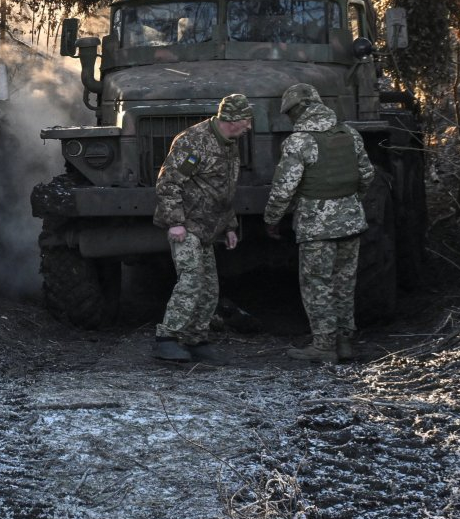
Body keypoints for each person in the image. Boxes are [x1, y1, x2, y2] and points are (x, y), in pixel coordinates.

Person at [264, 82, 374, 364]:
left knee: (317, 284)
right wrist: (348, 203)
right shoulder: (350, 133)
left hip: (316, 226)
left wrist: (273, 219)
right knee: (344, 282)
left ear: (298, 110)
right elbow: (366, 174)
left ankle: (324, 345)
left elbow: (284, 188)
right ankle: (345, 341)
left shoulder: (299, 141)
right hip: (351, 221)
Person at [151, 94, 253, 364]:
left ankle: (195, 339)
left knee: (209, 287)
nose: (249, 127)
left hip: (209, 227)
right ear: (231, 120)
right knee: (192, 281)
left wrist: (230, 226)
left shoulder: (229, 143)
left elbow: (223, 189)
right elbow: (169, 183)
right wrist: (175, 222)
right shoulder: (194, 142)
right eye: (246, 121)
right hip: (188, 225)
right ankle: (167, 338)